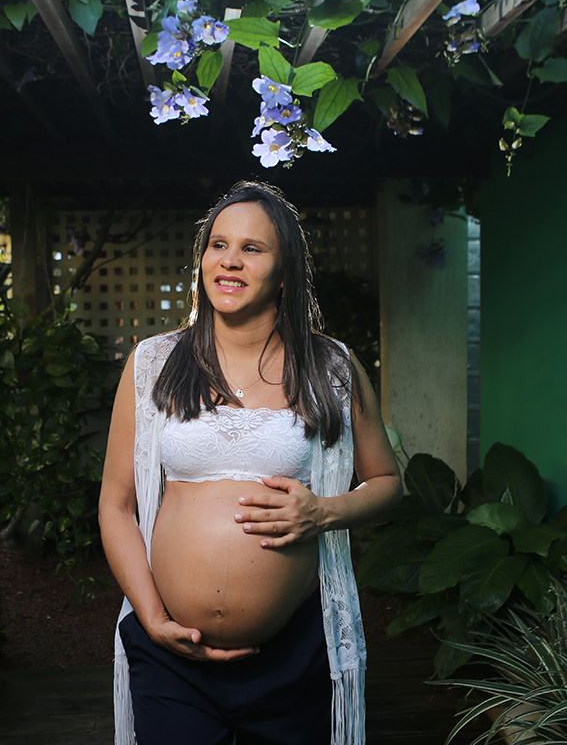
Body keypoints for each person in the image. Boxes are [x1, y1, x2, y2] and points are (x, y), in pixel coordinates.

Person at [99, 181, 402, 745]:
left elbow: (387, 481)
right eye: (218, 244)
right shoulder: (153, 363)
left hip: (292, 654)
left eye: (252, 248)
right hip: (171, 654)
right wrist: (152, 619)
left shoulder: (331, 367)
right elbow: (116, 506)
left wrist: (324, 512)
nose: (230, 260)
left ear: (284, 273)